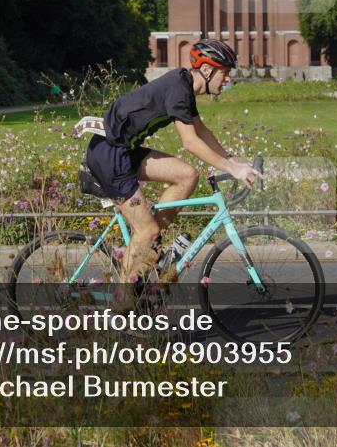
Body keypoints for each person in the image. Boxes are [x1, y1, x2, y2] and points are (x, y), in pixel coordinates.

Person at [83, 39, 261, 293]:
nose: (227, 79)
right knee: (147, 230)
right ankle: (121, 307)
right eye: (225, 72)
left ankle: (148, 249)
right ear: (208, 70)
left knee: (188, 176)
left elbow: (202, 131)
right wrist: (232, 169)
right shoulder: (179, 88)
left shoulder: (184, 86)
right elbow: (189, 142)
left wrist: (231, 162)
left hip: (123, 150)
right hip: (108, 153)